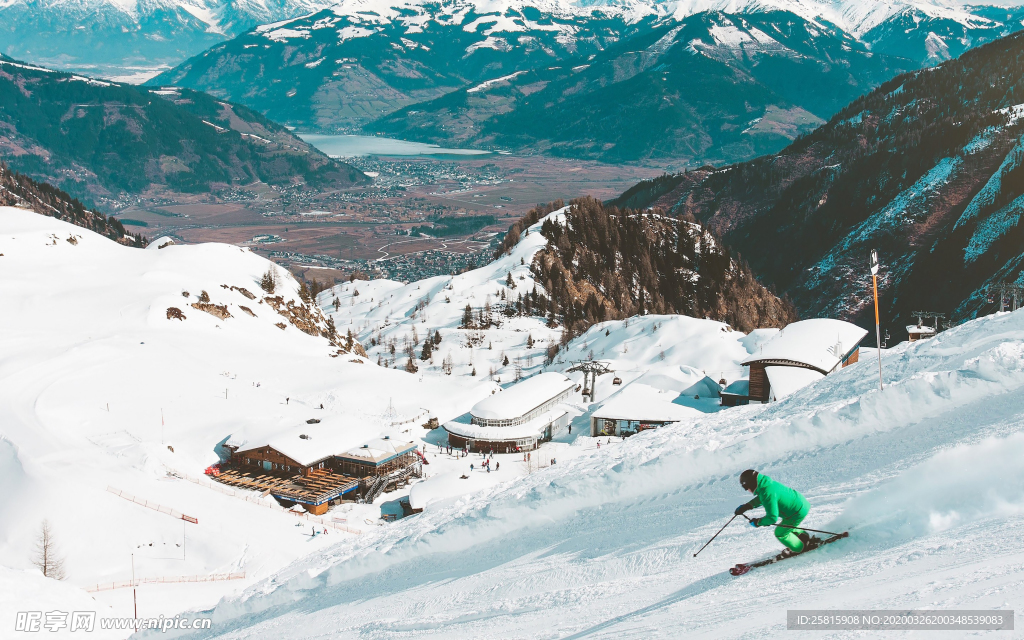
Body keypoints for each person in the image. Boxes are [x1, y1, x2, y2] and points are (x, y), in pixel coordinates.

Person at [735, 469, 811, 555]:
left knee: (780, 533)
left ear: (752, 484)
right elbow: (763, 497)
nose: (747, 490)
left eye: (746, 487)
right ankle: (803, 537)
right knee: (787, 526)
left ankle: (800, 548)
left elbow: (772, 517)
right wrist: (748, 506)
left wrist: (758, 522)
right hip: (800, 504)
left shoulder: (767, 493)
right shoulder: (766, 485)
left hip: (796, 512)